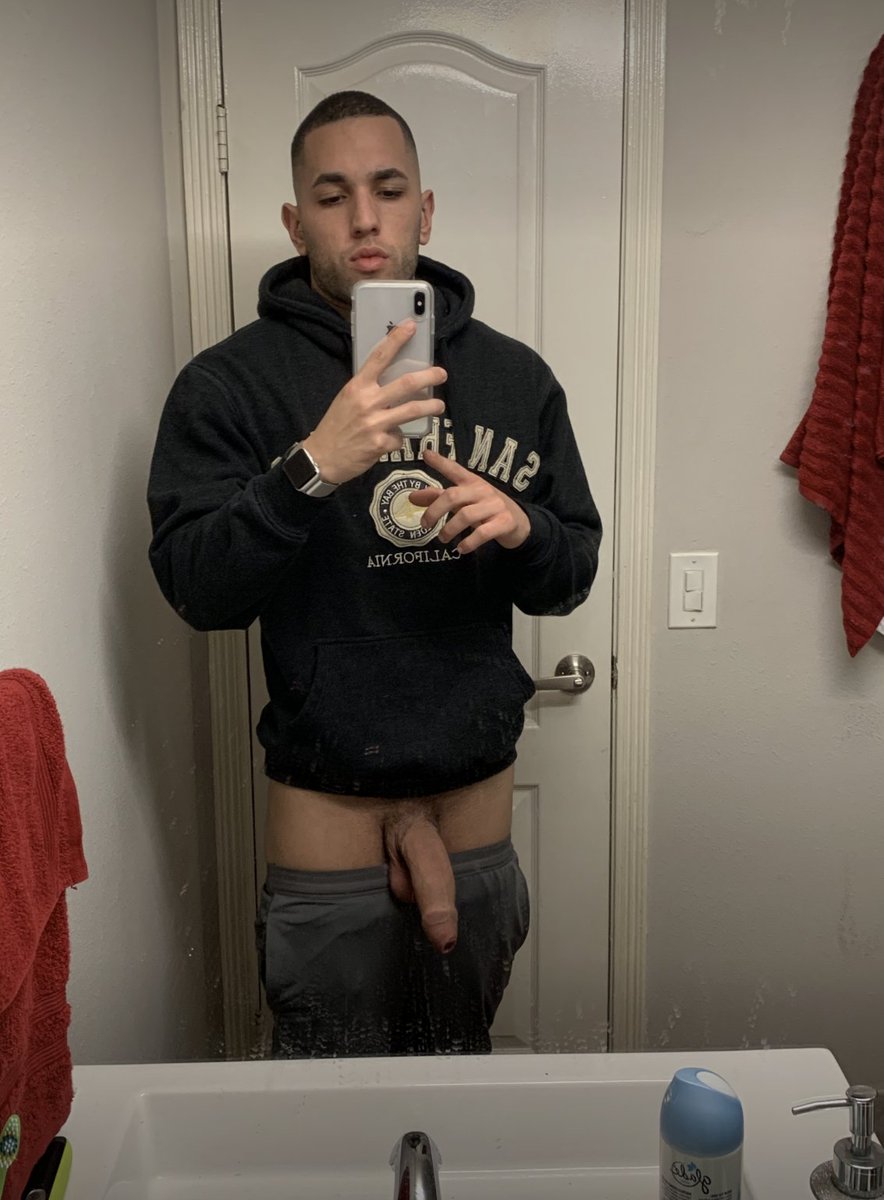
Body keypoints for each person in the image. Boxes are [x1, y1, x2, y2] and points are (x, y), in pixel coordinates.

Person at [148, 90, 602, 1058]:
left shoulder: (517, 380)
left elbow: (569, 576)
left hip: (475, 813)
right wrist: (312, 466)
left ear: (424, 211)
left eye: (388, 191)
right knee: (326, 1107)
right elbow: (197, 590)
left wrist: (524, 531)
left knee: (459, 1081)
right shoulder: (228, 385)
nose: (364, 217)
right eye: (332, 195)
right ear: (294, 221)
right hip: (327, 822)